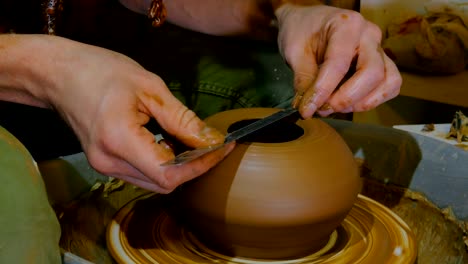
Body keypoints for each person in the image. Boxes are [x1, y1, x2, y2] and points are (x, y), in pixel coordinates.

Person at [0, 0, 401, 262]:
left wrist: (285, 11)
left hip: (81, 29)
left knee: (277, 83)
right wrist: (49, 72)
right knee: (16, 230)